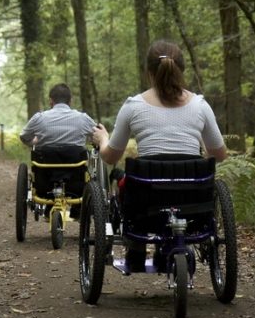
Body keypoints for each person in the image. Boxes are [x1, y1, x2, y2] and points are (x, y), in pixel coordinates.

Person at [92, 39, 227, 271]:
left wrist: (102, 139)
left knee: (124, 179)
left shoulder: (133, 106)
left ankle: (136, 247)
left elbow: (110, 157)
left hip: (145, 204)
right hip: (193, 203)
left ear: (148, 72)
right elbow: (220, 154)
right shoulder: (201, 106)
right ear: (181, 70)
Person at [20, 83, 97, 219]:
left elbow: (24, 136)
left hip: (45, 179)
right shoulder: (82, 119)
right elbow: (98, 135)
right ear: (70, 100)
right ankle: (77, 208)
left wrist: (34, 142)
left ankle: (50, 204)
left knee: (45, 159)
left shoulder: (39, 118)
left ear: (51, 100)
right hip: (75, 181)